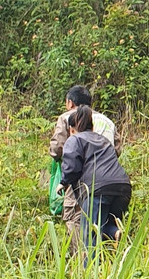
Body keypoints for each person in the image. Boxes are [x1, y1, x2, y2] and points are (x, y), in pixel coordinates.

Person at [60, 106, 132, 260]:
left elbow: (72, 166)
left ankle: (90, 276)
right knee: (103, 225)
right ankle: (115, 234)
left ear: (72, 129)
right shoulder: (103, 140)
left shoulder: (75, 139)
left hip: (98, 190)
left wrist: (63, 182)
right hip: (123, 187)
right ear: (92, 126)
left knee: (88, 235)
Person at [50, 85, 119, 242]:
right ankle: (104, 261)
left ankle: (82, 262)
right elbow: (117, 150)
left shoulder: (68, 118)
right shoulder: (107, 121)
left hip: (80, 179)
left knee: (75, 218)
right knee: (101, 221)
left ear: (70, 103)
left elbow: (57, 148)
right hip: (110, 178)